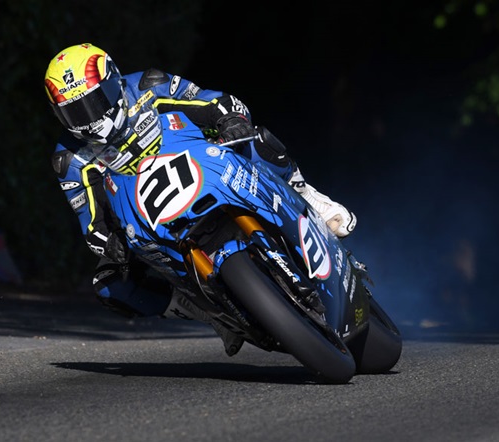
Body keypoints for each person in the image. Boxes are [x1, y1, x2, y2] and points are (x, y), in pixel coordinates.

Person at [44, 43, 356, 355]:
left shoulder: (147, 85)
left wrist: (230, 118)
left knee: (257, 140)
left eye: (93, 102)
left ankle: (309, 196)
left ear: (113, 82)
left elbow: (212, 100)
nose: (88, 119)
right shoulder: (69, 159)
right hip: (149, 219)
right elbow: (91, 221)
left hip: (205, 165)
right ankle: (210, 316)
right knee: (110, 284)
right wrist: (108, 242)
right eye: (73, 112)